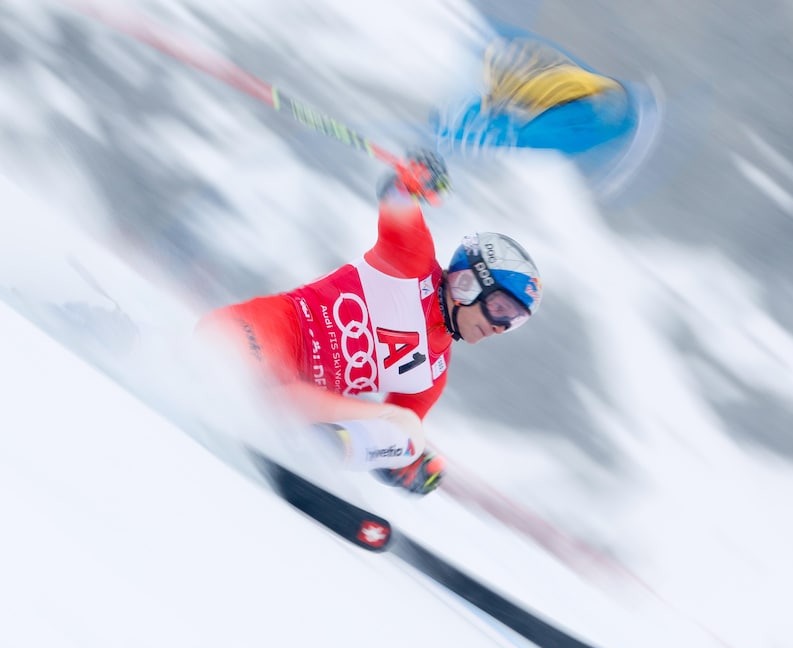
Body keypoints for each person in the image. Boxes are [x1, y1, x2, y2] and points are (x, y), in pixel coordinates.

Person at [195, 151, 542, 496]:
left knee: (409, 433)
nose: (500, 326)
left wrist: (406, 467)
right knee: (224, 369)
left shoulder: (432, 375)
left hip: (293, 400)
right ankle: (276, 431)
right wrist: (411, 182)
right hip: (255, 339)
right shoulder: (412, 261)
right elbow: (396, 197)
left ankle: (309, 457)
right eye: (500, 308)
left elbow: (388, 441)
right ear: (469, 281)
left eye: (513, 321)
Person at [434, 34, 637, 156]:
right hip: (572, 97)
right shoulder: (525, 82)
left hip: (569, 99)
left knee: (520, 132)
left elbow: (498, 111)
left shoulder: (518, 85)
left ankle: (454, 131)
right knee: (520, 129)